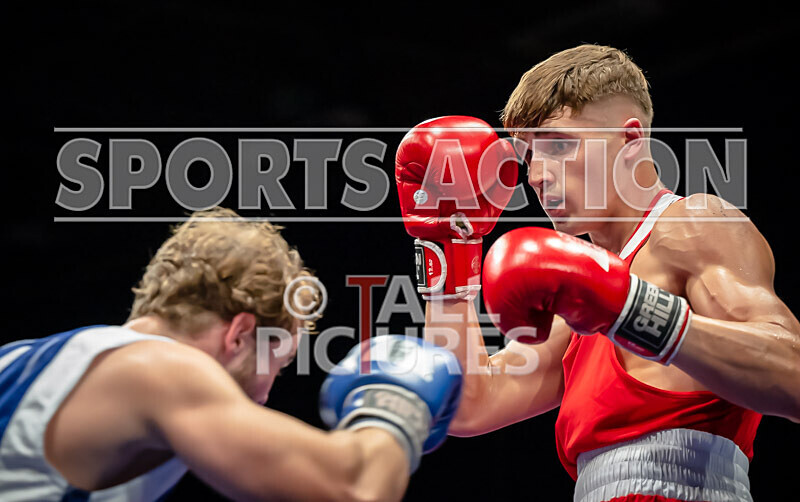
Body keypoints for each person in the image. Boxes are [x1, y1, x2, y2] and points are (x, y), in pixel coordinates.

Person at [395, 46, 800, 502]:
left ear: (630, 140)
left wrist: (629, 309)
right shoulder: (579, 296)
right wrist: (450, 248)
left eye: (558, 145)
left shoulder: (692, 224)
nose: (537, 175)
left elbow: (793, 375)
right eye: (528, 156)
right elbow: (467, 407)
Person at [0, 207, 462, 502]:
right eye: (276, 366)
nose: (263, 397)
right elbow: (354, 489)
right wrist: (397, 405)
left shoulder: (24, 358)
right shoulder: (163, 370)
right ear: (240, 334)